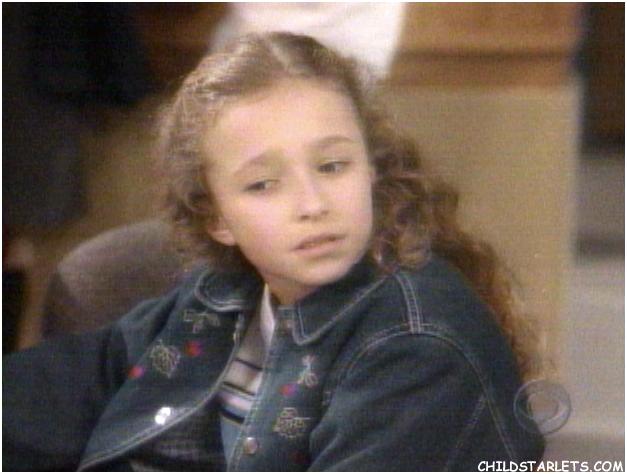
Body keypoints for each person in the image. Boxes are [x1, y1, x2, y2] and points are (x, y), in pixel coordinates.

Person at [3, 32, 545, 471]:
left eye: (332, 166)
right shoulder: (222, 293)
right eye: (263, 184)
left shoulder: (418, 347)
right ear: (216, 219)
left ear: (372, 169)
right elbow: (62, 388)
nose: (312, 204)